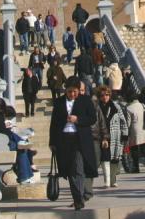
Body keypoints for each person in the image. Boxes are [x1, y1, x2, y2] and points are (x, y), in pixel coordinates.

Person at [49, 76, 98, 210]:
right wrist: (52, 142)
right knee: (70, 170)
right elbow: (54, 123)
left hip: (79, 139)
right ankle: (78, 197)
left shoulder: (85, 100)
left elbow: (92, 118)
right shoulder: (59, 102)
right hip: (64, 139)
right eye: (69, 91)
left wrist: (78, 119)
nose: (72, 94)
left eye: (74, 91)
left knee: (77, 168)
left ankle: (78, 199)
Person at [0, 97, 36, 184]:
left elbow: (12, 112)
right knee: (22, 148)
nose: (0, 109)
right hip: (2, 142)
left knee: (23, 149)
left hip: (4, 140)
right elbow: (2, 130)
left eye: (1, 107)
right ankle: (24, 176)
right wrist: (9, 130)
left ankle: (24, 176)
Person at [92, 85, 128, 188]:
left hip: (115, 136)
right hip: (102, 136)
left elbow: (123, 121)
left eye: (107, 95)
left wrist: (125, 134)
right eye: (102, 95)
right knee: (105, 158)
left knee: (115, 159)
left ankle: (113, 180)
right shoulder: (96, 108)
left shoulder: (116, 107)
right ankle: (107, 181)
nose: (105, 97)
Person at [126, 92, 145, 172]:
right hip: (144, 128)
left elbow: (128, 122)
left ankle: (136, 167)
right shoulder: (143, 105)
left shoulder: (129, 108)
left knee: (134, 150)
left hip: (134, 130)